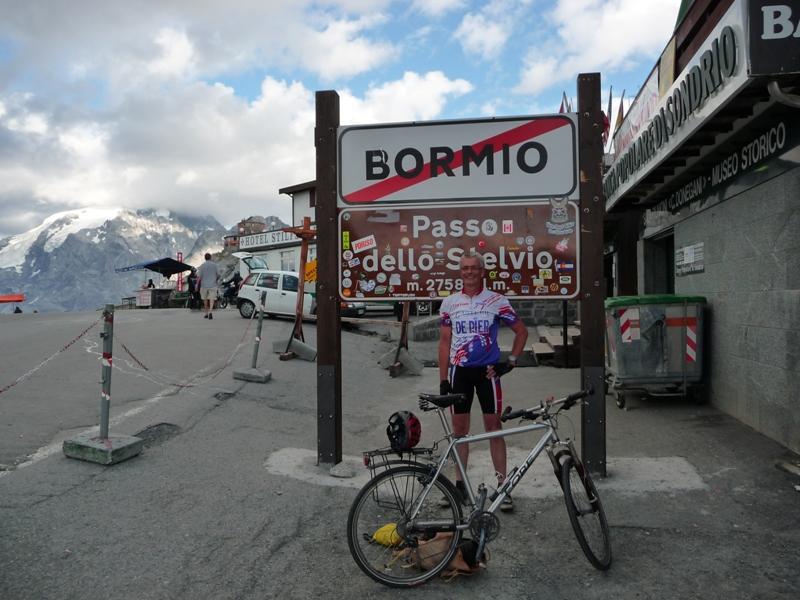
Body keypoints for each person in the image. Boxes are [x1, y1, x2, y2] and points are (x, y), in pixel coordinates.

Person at [438, 252, 529, 512]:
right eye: (464, 268)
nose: (469, 272)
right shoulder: (450, 303)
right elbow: (444, 342)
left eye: (473, 268)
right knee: (459, 431)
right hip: (460, 373)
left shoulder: (497, 301)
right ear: (460, 272)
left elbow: (522, 332)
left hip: (488, 373)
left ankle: (503, 486)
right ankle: (459, 487)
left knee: (494, 427)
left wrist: (509, 362)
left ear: (482, 271)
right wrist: (443, 379)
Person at [196, 253, 219, 319]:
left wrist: (197, 285)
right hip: (213, 285)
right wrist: (216, 280)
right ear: (210, 257)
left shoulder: (202, 266)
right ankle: (210, 312)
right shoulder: (215, 265)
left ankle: (206, 313)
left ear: (205, 258)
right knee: (212, 299)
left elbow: (199, 277)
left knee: (205, 299)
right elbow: (218, 275)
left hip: (204, 285)